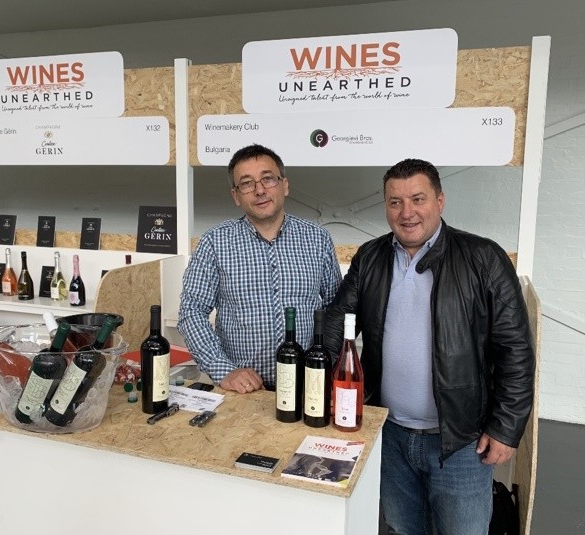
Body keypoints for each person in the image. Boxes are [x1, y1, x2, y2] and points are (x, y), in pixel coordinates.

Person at [323, 158, 535, 535]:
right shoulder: (370, 257)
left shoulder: (484, 258)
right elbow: (337, 325)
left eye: (417, 199)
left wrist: (506, 427)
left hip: (460, 442)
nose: (407, 213)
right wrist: (322, 388)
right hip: (389, 434)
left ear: (440, 201)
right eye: (395, 202)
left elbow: (515, 350)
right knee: (403, 528)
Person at [178, 144, 342, 394]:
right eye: (247, 183)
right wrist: (223, 370)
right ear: (236, 196)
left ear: (284, 185)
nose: (260, 190)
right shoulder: (215, 242)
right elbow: (191, 311)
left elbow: (335, 310)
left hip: (306, 387)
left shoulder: (317, 239)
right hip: (242, 392)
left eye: (268, 179)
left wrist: (324, 366)